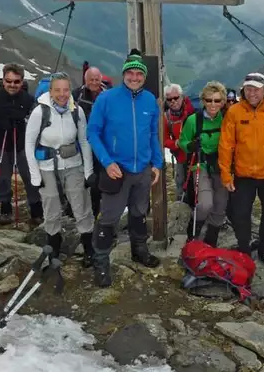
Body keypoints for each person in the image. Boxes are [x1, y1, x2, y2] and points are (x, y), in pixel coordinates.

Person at [87, 54, 163, 287]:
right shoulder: (106, 99)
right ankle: (100, 263)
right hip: (116, 170)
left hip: (142, 168)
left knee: (139, 213)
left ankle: (139, 251)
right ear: (123, 75)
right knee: (109, 218)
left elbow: (152, 135)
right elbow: (92, 133)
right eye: (130, 73)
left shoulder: (150, 100)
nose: (134, 77)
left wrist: (157, 163)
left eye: (139, 74)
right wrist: (107, 162)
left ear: (144, 77)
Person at [219, 72, 264, 267]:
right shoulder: (234, 112)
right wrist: (226, 174)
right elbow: (226, 144)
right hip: (243, 174)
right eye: (249, 88)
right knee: (241, 214)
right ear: (243, 89)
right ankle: (244, 249)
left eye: (256, 89)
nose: (252, 93)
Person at [24, 72, 94, 264]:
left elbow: (84, 142)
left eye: (65, 90)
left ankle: (89, 248)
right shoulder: (40, 112)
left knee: (81, 207)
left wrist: (88, 172)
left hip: (74, 165)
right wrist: (35, 176)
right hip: (47, 168)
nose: (62, 94)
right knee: (51, 209)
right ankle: (53, 248)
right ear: (50, 90)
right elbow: (29, 145)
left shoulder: (76, 110)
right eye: (58, 90)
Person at [0, 63, 43, 225]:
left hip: (23, 144)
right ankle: (5, 208)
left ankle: (36, 209)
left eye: (16, 82)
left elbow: (36, 120)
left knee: (30, 178)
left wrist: (22, 121)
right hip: (0, 144)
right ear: (3, 80)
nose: (12, 85)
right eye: (9, 81)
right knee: (2, 178)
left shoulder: (28, 99)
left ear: (22, 81)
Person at [178, 81, 228, 246]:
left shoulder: (227, 118)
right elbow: (182, 142)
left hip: (222, 165)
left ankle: (210, 240)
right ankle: (193, 232)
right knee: (206, 204)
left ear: (223, 102)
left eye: (217, 100)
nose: (213, 104)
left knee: (220, 205)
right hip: (201, 163)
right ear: (203, 101)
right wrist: (190, 146)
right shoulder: (194, 121)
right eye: (209, 100)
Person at [73, 66, 108, 219]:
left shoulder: (109, 94)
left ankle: (98, 210)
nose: (94, 82)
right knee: (82, 176)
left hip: (102, 143)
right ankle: (78, 210)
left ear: (100, 79)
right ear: (85, 80)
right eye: (91, 80)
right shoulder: (76, 95)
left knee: (101, 176)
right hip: (81, 142)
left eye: (96, 79)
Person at [163, 84, 195, 201]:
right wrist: (175, 144)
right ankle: (182, 211)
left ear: (181, 97)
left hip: (196, 155)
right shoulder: (166, 117)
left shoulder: (192, 111)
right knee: (181, 183)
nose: (173, 101)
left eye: (176, 98)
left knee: (197, 185)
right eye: (169, 99)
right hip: (181, 156)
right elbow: (163, 139)